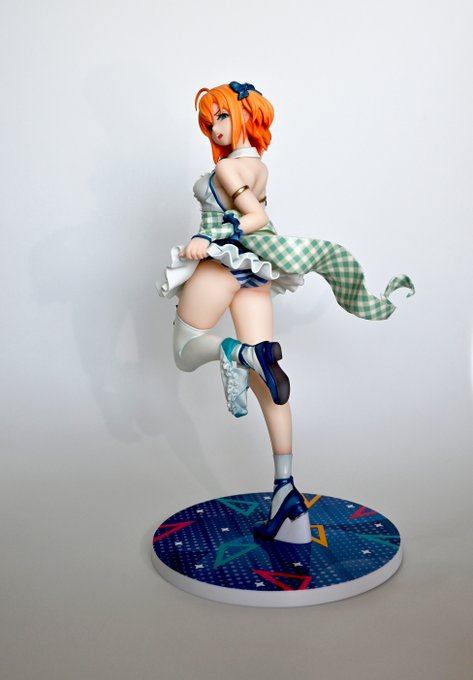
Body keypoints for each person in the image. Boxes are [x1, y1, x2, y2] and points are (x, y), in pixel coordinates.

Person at [158, 81, 414, 545]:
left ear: (245, 115)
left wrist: (208, 238)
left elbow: (254, 218)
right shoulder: (257, 165)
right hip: (255, 275)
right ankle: (286, 489)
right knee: (266, 381)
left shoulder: (227, 169)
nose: (214, 127)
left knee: (185, 349)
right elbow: (258, 214)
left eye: (222, 115)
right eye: (209, 120)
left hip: (221, 268)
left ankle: (237, 353)